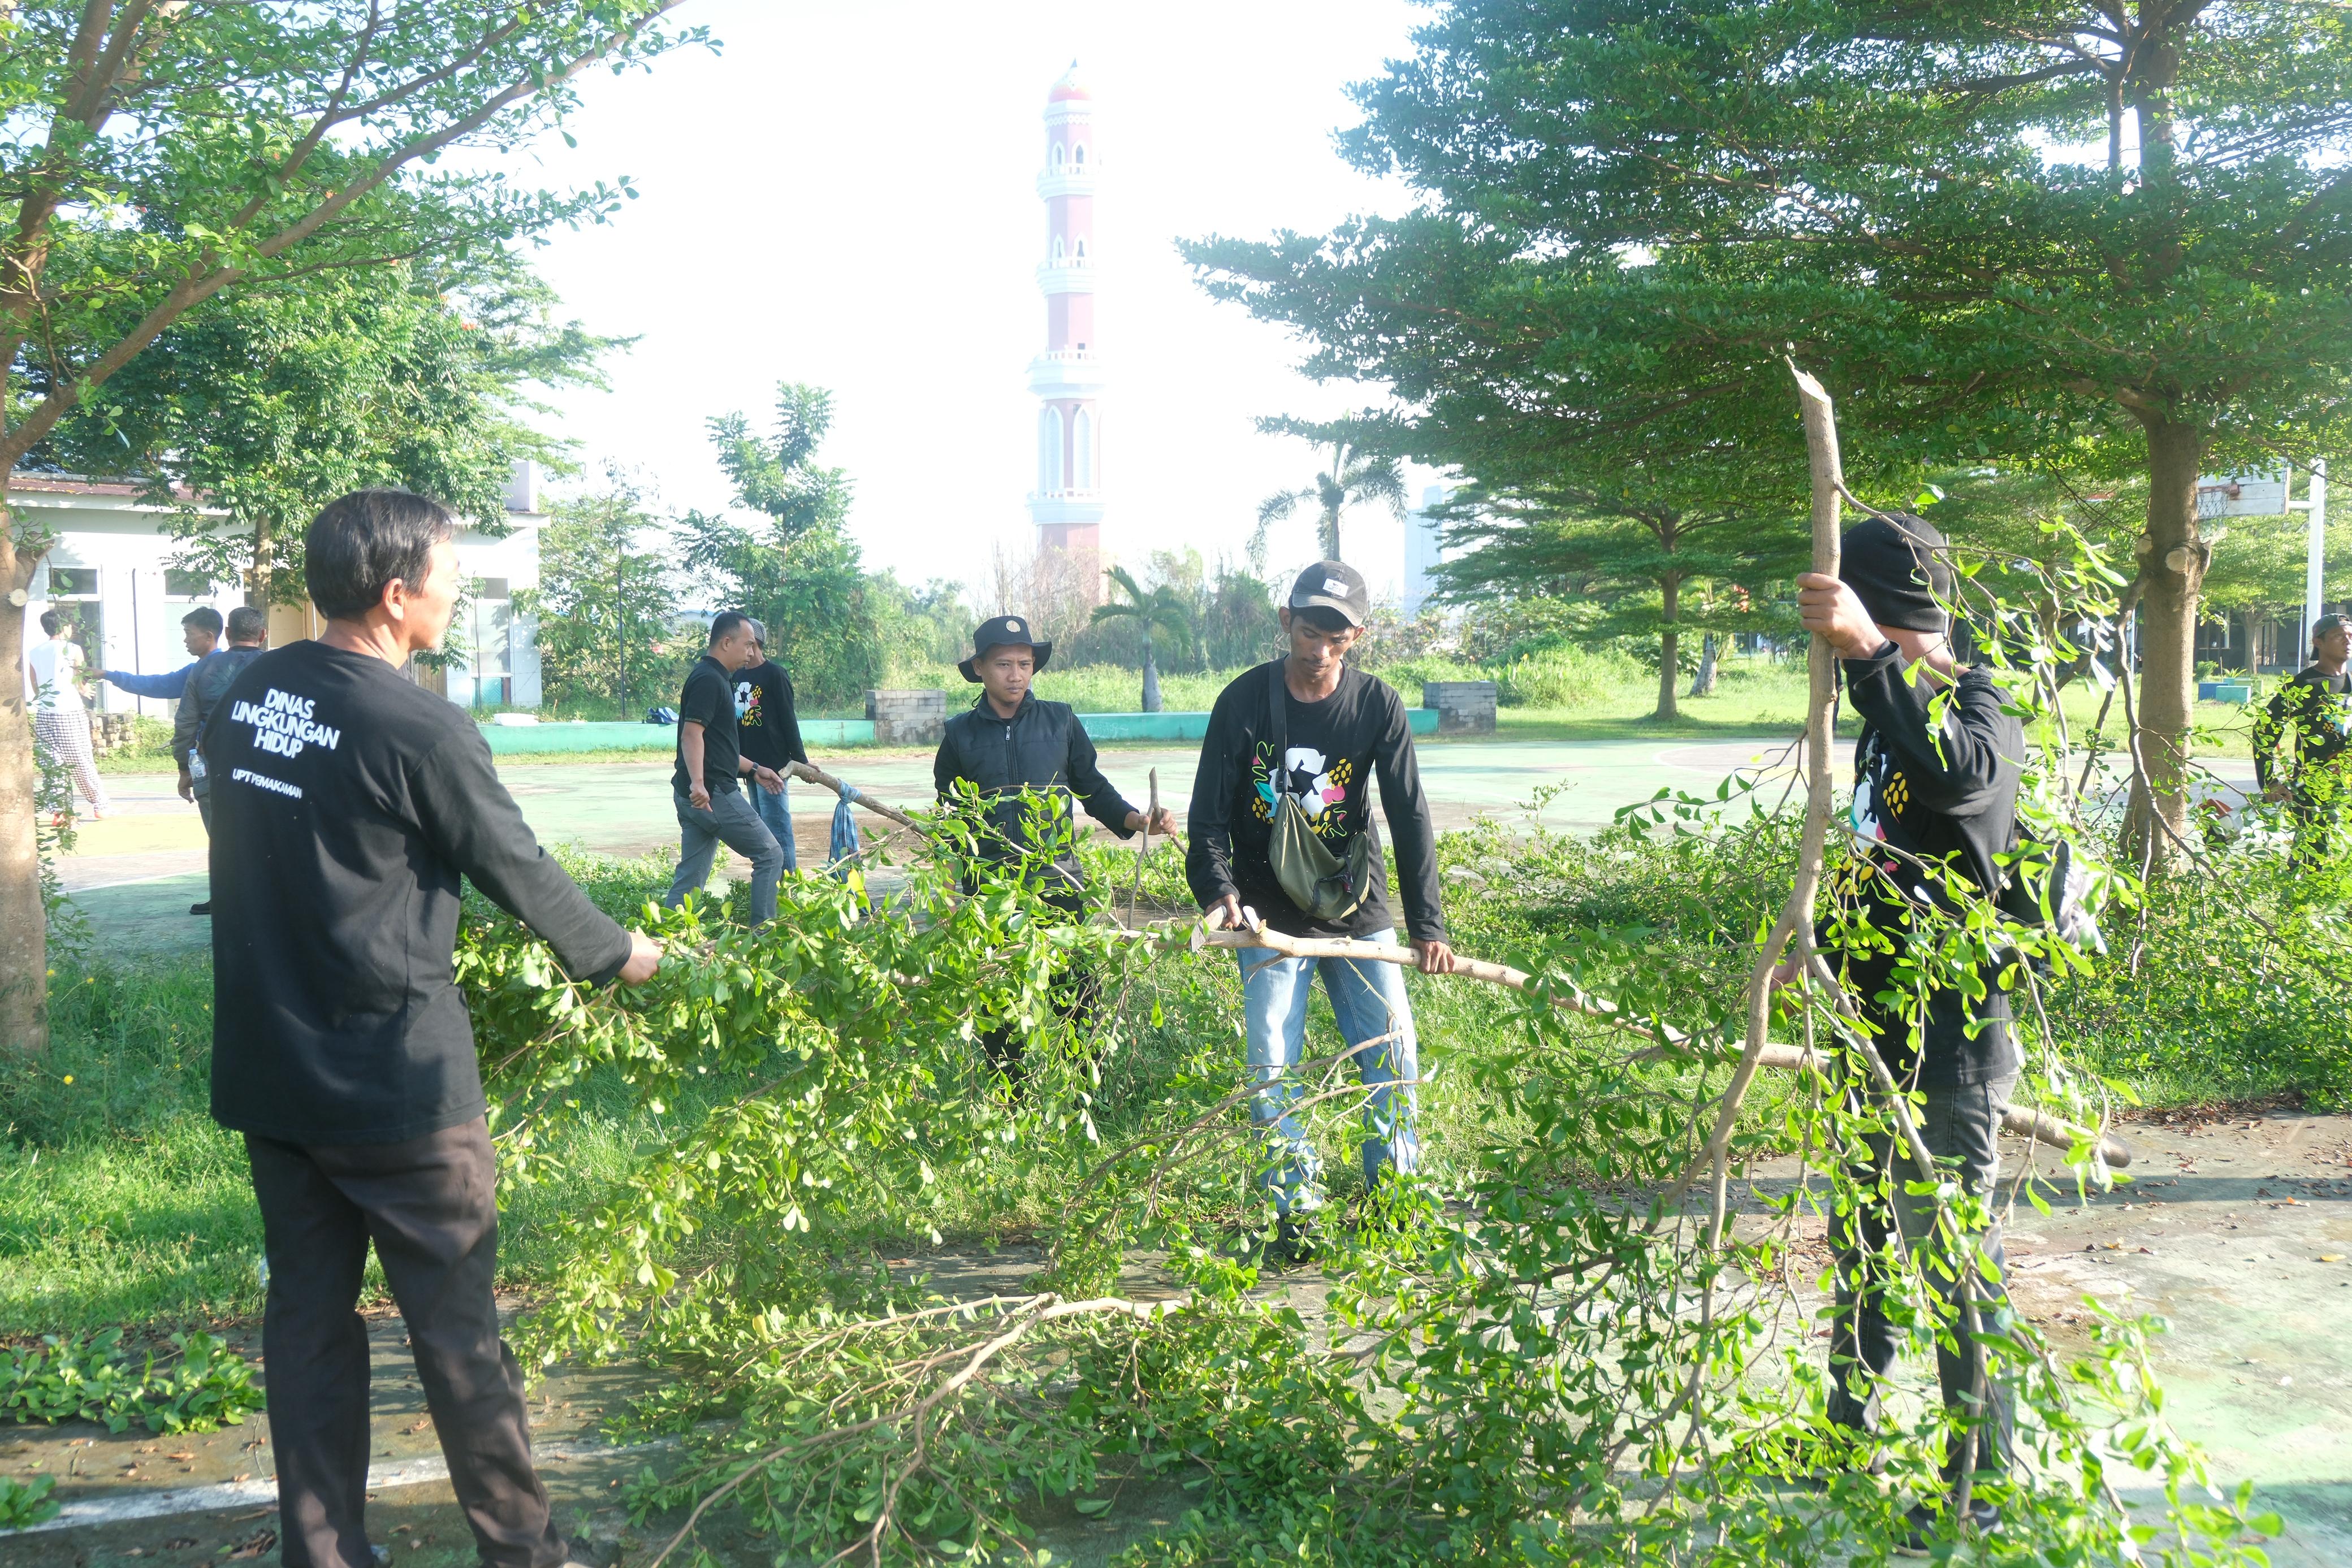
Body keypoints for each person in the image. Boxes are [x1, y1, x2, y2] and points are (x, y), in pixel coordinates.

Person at [201, 489, 663, 1568]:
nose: (457, 592)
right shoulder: (418, 725)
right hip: (396, 1085)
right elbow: (515, 863)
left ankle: (324, 1555)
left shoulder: (248, 691)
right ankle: (526, 1555)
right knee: (459, 1337)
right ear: (395, 594)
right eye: (449, 576)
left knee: (309, 1326)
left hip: (274, 1073)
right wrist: (616, 951)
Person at [1789, 512, 2021, 1546]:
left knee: (1953, 1262)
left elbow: (1958, 779)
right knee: (1864, 1242)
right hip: (1870, 1033)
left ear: (1885, 609)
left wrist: (1870, 654)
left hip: (1951, 1049)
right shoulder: (1883, 710)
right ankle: (1847, 1431)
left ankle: (1983, 1480)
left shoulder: (1981, 705)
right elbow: (1876, 841)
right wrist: (1816, 943)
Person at [1184, 561, 1453, 1248]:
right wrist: (1220, 893)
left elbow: (1409, 814)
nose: (1319, 650)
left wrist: (1427, 924)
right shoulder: (1243, 701)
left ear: (1356, 637)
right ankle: (1296, 1212)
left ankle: (1394, 1201)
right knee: (1271, 1063)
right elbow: (1207, 815)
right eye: (1309, 632)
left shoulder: (1376, 704)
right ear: (1286, 622)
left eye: (1335, 638)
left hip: (1354, 902)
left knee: (1391, 1048)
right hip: (1265, 912)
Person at [933, 614, 1174, 1077]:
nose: (1016, 675)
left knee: (1077, 998)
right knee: (1001, 1004)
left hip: (1058, 884)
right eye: (1004, 664)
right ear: (979, 668)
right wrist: (948, 893)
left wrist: (1138, 820)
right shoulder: (959, 735)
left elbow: (1093, 789)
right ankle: (1010, 1096)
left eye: (1024, 664)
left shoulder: (1060, 721)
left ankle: (1080, 1093)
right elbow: (951, 821)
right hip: (991, 893)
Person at [661, 612, 788, 925]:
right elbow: (692, 734)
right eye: (748, 645)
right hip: (712, 794)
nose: (751, 653)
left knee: (691, 875)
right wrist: (699, 783)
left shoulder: (713, 677)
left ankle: (666, 936)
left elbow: (717, 747)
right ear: (727, 642)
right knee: (770, 854)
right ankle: (763, 936)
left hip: (695, 795)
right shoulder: (709, 680)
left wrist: (754, 768)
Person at [174, 605, 268, 916]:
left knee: (220, 833)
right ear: (263, 635)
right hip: (267, 764)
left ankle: (226, 898)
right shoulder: (278, 666)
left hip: (214, 764)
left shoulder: (202, 669)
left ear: (226, 634)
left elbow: (185, 722)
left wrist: (184, 768)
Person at [2252, 612, 2352, 865]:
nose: (2348, 641)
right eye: (2339, 636)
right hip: (2313, 789)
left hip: (2348, 786)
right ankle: (2296, 893)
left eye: (2350, 635)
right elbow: (2264, 731)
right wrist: (2270, 781)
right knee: (2310, 859)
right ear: (2318, 642)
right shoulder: (2303, 685)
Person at [733, 618, 808, 874]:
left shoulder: (775, 674)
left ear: (754, 643)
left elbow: (788, 719)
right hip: (750, 767)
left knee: (778, 828)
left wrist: (801, 762)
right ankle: (771, 881)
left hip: (774, 766)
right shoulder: (737, 676)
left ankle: (788, 883)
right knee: (762, 828)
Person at [25, 607, 109, 821]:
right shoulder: (73, 649)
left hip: (44, 713)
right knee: (81, 760)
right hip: (69, 711)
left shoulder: (35, 652)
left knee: (53, 763)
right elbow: (79, 679)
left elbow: (35, 685)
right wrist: (85, 690)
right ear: (64, 626)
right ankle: (100, 804)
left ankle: (59, 811)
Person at [104, 606, 223, 699]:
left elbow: (156, 685)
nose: (186, 640)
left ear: (209, 636)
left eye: (190, 633)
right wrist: (108, 675)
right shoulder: (227, 666)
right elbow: (158, 684)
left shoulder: (197, 671)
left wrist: (108, 675)